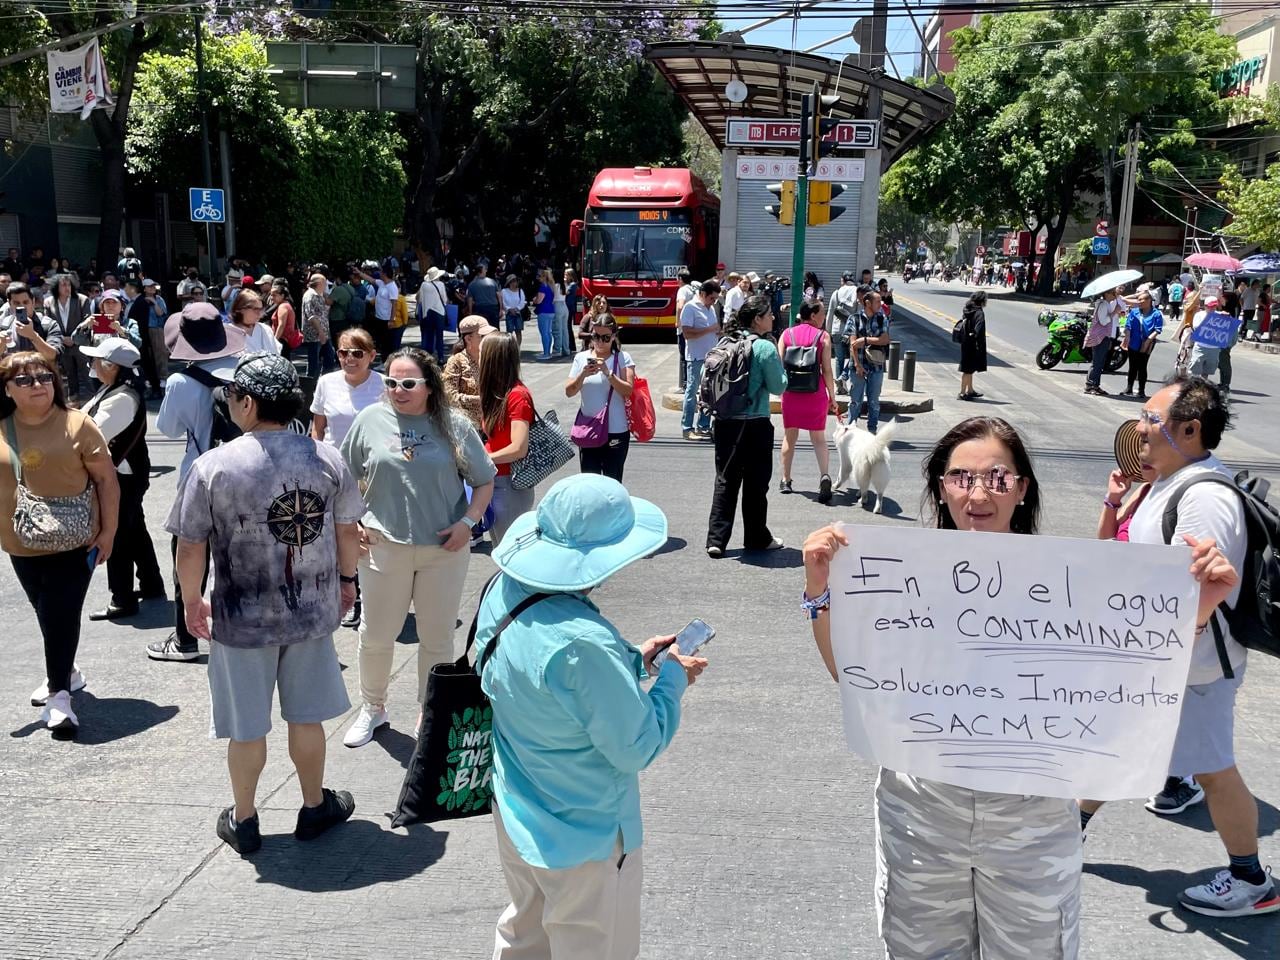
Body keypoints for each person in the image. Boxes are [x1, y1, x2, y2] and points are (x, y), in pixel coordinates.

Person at [802, 414, 1241, 954]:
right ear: (942, 486)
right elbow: (853, 677)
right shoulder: (895, 578)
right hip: (920, 819)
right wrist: (820, 591)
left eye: (997, 477)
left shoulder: (1071, 583)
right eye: (961, 477)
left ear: (1022, 488)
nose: (978, 493)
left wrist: (1196, 610)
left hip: (1031, 828)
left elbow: (1129, 685)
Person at [478, 474, 706, 959]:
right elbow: (636, 745)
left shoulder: (504, 589)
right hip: (586, 831)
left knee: (524, 933)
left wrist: (630, 660)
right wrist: (671, 681)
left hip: (517, 804)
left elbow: (543, 680)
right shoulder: (582, 640)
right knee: (594, 946)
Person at [1078, 377, 1277, 918]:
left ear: (1188, 430)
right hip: (1160, 663)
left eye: (1149, 415)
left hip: (1195, 669)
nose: (1138, 425)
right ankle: (1068, 831)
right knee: (1111, 743)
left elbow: (1200, 593)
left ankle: (1253, 880)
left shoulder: (1205, 498)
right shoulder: (1169, 480)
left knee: (1214, 771)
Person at [167, 352, 361, 855]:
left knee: (246, 725)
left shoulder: (214, 465)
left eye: (232, 395)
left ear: (248, 402)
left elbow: (191, 546)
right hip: (311, 610)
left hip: (240, 615)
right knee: (307, 716)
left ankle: (245, 817)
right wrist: (346, 581)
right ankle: (315, 804)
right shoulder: (326, 457)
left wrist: (191, 601)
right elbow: (346, 532)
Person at [339, 347, 496, 747]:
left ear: (429, 387)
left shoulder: (454, 425)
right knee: (376, 635)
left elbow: (484, 480)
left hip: (443, 550)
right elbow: (343, 479)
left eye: (408, 383)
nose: (398, 390)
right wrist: (350, 524)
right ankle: (373, 708)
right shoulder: (370, 420)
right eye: (391, 382)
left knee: (437, 637)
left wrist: (468, 523)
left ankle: (430, 713)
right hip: (382, 545)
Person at [1, 352, 119, 738]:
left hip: (75, 542)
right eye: (25, 380)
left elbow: (106, 481)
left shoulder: (77, 424)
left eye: (44, 377)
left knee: (59, 612)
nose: (38, 385)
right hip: (19, 542)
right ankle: (67, 670)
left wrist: (108, 532)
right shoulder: (2, 428)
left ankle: (59, 696)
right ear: (7, 389)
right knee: (46, 612)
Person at [150, 304, 248, 663]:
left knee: (189, 558)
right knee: (237, 558)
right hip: (246, 474)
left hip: (199, 473)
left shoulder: (180, 382)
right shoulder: (243, 370)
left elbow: (169, 429)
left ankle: (185, 640)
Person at [79, 337, 164, 621]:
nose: (91, 364)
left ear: (112, 366)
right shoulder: (115, 390)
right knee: (134, 531)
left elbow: (89, 435)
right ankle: (151, 583)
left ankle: (122, 598)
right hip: (126, 476)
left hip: (122, 478)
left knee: (116, 537)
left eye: (97, 360)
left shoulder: (122, 398)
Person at [705, 295, 785, 558]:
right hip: (755, 424)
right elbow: (778, 386)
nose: (773, 317)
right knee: (756, 484)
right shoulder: (765, 348)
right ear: (757, 319)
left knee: (725, 480)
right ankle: (756, 537)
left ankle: (716, 540)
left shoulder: (726, 341)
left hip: (726, 422)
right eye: (769, 314)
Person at [478, 333, 534, 545]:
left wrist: (483, 458)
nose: (478, 357)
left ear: (494, 358)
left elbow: (519, 448)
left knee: (509, 552)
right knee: (501, 549)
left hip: (509, 484)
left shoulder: (517, 395)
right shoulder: (497, 393)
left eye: (483, 353)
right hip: (495, 480)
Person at [779, 298, 837, 501]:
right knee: (819, 439)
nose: (824, 317)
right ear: (813, 315)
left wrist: (780, 391)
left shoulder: (786, 334)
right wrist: (832, 396)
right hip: (815, 393)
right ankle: (824, 475)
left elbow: (780, 365)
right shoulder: (823, 337)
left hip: (791, 393)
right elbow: (827, 370)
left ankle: (786, 480)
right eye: (822, 313)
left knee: (790, 437)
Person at [566, 313, 636, 482]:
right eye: (596, 336)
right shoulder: (581, 358)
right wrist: (583, 373)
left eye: (605, 337)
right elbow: (569, 391)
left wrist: (608, 373)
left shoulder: (623, 358)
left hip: (616, 430)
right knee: (590, 484)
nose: (599, 342)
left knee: (613, 482)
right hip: (589, 429)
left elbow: (628, 390)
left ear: (613, 336)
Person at [310, 327, 384, 448]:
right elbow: (318, 429)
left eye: (357, 353)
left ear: (372, 356)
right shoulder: (325, 382)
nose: (349, 358)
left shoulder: (386, 385)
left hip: (372, 461)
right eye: (343, 353)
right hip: (333, 461)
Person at [679, 279, 720, 441]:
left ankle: (703, 426)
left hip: (712, 357)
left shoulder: (710, 309)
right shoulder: (690, 308)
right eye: (712, 298)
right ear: (703, 294)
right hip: (696, 357)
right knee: (692, 392)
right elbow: (687, 333)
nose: (714, 302)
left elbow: (713, 329)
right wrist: (709, 329)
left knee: (708, 394)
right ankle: (687, 427)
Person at [845, 288, 890, 434]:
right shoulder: (854, 318)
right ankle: (851, 429)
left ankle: (872, 430)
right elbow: (852, 345)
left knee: (874, 401)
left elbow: (885, 340)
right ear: (867, 303)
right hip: (858, 366)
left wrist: (864, 340)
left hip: (876, 366)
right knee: (855, 401)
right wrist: (857, 365)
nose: (880, 303)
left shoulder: (882, 318)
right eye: (877, 301)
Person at [444, 315, 495, 430]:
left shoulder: (490, 358)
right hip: (467, 426)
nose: (488, 339)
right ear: (468, 339)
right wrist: (480, 399)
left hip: (491, 423)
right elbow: (449, 396)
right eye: (482, 336)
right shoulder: (456, 361)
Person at [44, 275, 91, 399]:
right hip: (62, 344)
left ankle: (95, 397)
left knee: (87, 374)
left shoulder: (82, 300)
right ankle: (73, 400)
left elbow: (87, 323)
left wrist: (74, 339)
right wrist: (61, 338)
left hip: (80, 344)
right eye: (63, 285)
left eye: (69, 284)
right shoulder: (49, 302)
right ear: (56, 287)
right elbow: (47, 324)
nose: (67, 288)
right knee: (69, 376)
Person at [2, 282, 63, 363]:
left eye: (25, 302)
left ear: (33, 302)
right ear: (9, 303)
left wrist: (33, 336)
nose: (21, 306)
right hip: (13, 374)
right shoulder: (4, 325)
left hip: (40, 374)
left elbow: (53, 356)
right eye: (16, 303)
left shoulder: (48, 325)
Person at [1084, 287, 1126, 397]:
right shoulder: (1103, 304)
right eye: (1113, 293)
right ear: (1106, 294)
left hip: (1104, 336)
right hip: (1100, 336)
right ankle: (1090, 385)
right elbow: (1103, 321)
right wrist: (1114, 313)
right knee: (1097, 362)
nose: (1114, 295)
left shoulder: (1106, 304)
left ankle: (1095, 385)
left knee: (1100, 362)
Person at [1121, 289, 1163, 399]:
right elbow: (1128, 325)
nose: (1139, 302)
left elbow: (1157, 329)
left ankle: (1141, 390)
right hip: (1133, 341)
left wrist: (1148, 341)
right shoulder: (1134, 312)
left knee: (1142, 366)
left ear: (1149, 300)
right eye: (1138, 299)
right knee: (1132, 365)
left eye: (1141, 300)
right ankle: (1129, 388)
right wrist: (1127, 336)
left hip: (1147, 343)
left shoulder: (1156, 314)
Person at [827, 271, 860, 393]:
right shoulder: (857, 292)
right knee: (853, 357)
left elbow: (830, 312)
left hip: (836, 330)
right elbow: (859, 313)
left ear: (842, 280)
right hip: (851, 331)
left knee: (839, 358)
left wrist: (828, 330)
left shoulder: (836, 293)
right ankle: (844, 377)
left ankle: (839, 387)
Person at [228, 288, 280, 356]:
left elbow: (275, 356)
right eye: (255, 309)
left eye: (261, 309)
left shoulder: (266, 329)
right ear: (241, 309)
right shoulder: (229, 332)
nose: (260, 314)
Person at [300, 273, 333, 378]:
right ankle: (310, 385)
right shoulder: (311, 296)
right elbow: (312, 316)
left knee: (329, 358)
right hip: (315, 335)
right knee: (314, 361)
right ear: (319, 283)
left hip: (323, 333)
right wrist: (321, 332)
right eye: (324, 283)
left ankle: (325, 380)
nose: (326, 285)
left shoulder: (319, 294)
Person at [957, 290, 988, 400]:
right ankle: (962, 392)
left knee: (969, 368)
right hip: (973, 343)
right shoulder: (979, 313)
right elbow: (978, 330)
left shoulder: (967, 309)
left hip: (965, 342)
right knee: (967, 369)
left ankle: (970, 390)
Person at [417, 266, 450, 366]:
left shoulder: (424, 285)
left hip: (427, 313)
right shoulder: (440, 284)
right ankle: (440, 357)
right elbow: (445, 300)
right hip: (439, 313)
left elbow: (420, 299)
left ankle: (426, 358)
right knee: (439, 336)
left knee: (427, 335)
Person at [466, 260, 502, 330]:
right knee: (494, 329)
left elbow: (469, 299)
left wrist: (470, 312)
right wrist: (501, 309)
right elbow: (499, 296)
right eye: (485, 269)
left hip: (480, 309)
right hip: (493, 309)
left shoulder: (472, 284)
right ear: (481, 271)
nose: (486, 271)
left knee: (482, 329)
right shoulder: (492, 281)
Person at [499, 274, 527, 348]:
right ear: (509, 283)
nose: (515, 283)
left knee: (518, 331)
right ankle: (510, 347)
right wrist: (509, 309)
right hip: (509, 313)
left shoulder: (520, 291)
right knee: (509, 332)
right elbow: (503, 302)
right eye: (513, 282)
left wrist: (517, 308)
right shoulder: (504, 291)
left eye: (516, 281)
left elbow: (522, 301)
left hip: (518, 313)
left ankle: (518, 347)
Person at [562, 267, 579, 355]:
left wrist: (564, 283)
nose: (565, 276)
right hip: (567, 306)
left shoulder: (573, 285)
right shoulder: (569, 284)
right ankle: (570, 344)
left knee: (568, 326)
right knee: (567, 326)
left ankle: (571, 345)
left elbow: (565, 292)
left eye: (566, 275)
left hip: (569, 307)